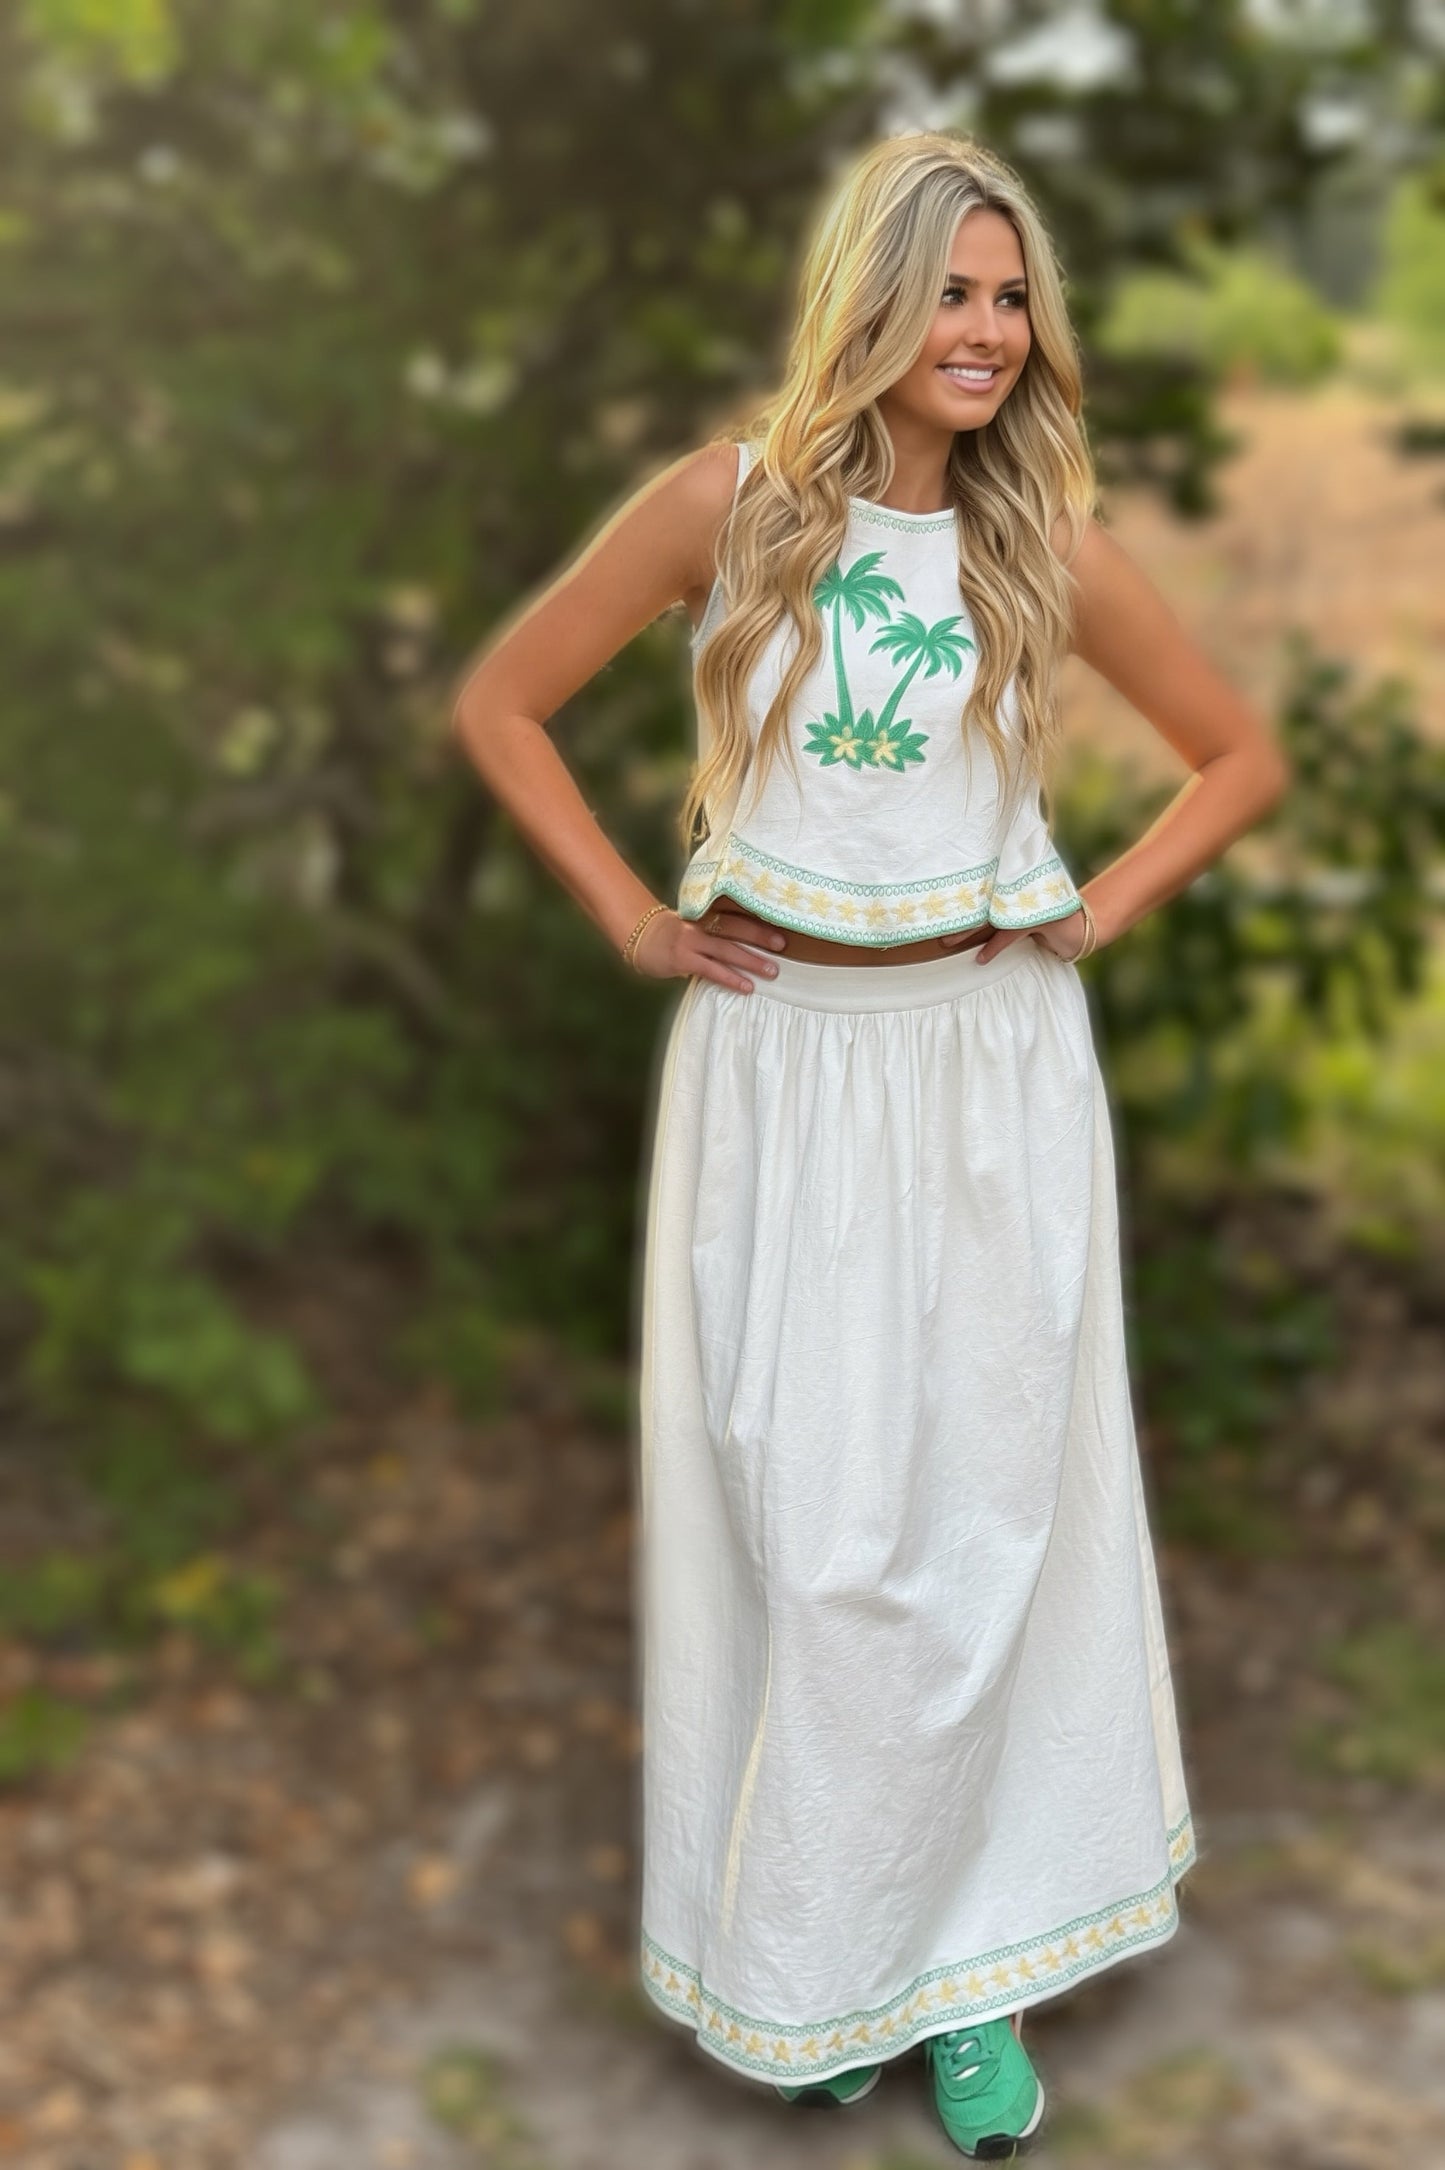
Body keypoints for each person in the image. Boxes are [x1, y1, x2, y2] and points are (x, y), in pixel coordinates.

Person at [451, 129, 1290, 2161]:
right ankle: (823, 1957)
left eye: (1016, 299)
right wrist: (637, 921)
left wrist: (1088, 908)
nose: (990, 333)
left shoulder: (1043, 546)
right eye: (958, 293)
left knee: (988, 1537)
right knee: (813, 1541)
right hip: (785, 1066)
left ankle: (974, 1978)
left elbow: (1239, 757)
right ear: (874, 301)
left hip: (991, 1075)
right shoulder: (729, 510)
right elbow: (506, 700)